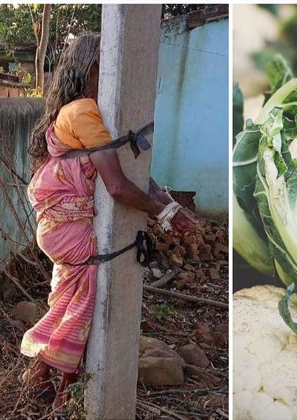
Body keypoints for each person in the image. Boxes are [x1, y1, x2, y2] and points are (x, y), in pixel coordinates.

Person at [19, 33, 199, 413]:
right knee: (83, 301)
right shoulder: (84, 111)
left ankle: (46, 376)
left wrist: (168, 205)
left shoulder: (74, 112)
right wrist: (164, 213)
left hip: (56, 226)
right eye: (113, 63)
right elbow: (117, 185)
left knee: (69, 298)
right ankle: (59, 387)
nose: (120, 73)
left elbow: (132, 174)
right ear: (94, 66)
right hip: (67, 228)